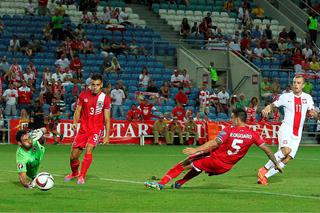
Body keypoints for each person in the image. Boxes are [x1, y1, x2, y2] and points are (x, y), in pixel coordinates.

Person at [144, 108, 283, 190]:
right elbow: (268, 150)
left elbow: (215, 143)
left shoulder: (229, 130)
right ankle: (179, 183)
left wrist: (196, 149)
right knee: (198, 167)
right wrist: (276, 164)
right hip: (226, 167)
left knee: (184, 164)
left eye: (233, 117)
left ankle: (160, 184)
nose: (231, 119)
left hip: (215, 159)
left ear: (237, 119)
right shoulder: (253, 134)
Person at [257, 76, 317, 185]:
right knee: (286, 150)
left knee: (288, 158)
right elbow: (273, 105)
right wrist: (267, 108)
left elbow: (313, 112)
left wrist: (314, 114)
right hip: (286, 128)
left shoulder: (308, 98)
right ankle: (263, 169)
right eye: (294, 82)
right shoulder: (285, 96)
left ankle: (265, 176)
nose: (296, 85)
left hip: (297, 133)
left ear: (303, 85)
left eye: (298, 83)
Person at [64, 74, 111, 184]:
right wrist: (75, 122)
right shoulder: (83, 95)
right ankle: (75, 173)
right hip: (83, 130)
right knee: (73, 156)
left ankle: (82, 176)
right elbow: (78, 110)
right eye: (93, 85)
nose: (95, 87)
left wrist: (107, 135)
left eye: (97, 85)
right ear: (90, 84)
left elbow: (107, 118)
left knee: (89, 148)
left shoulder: (105, 98)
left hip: (96, 129)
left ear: (101, 85)